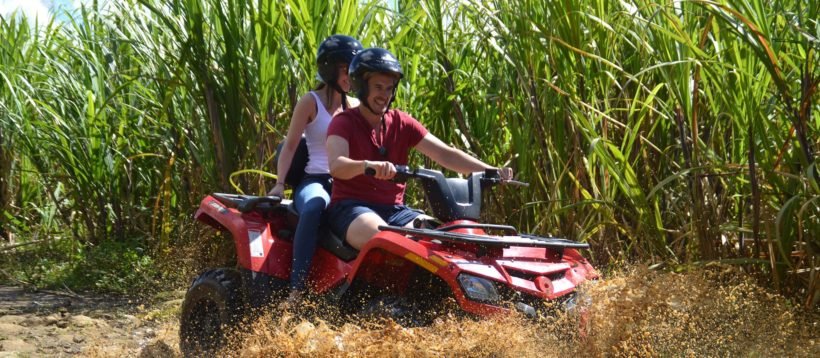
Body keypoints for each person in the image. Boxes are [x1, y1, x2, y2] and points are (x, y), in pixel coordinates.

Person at [326, 48, 513, 250]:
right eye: (378, 87)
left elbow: (445, 154)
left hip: (396, 210)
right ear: (361, 87)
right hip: (351, 208)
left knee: (445, 239)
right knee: (385, 240)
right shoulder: (343, 122)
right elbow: (337, 166)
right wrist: (368, 166)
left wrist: (491, 171)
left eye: (389, 89)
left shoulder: (401, 122)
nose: (384, 95)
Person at [268, 34, 363, 303]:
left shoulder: (355, 106)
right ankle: (297, 288)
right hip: (316, 180)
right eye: (347, 68)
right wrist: (279, 183)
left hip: (346, 180)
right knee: (314, 207)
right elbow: (289, 146)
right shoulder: (310, 102)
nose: (352, 74)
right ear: (331, 69)